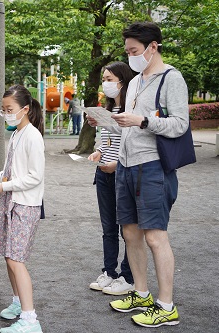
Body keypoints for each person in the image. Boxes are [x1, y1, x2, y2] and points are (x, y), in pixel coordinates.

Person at [87, 22, 186, 327]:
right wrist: (105, 122)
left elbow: (180, 124)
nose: (130, 55)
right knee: (129, 233)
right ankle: (141, 293)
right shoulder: (136, 82)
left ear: (152, 46)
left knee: (155, 236)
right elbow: (127, 126)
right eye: (128, 50)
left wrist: (143, 121)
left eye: (134, 50)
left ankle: (166, 305)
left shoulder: (171, 78)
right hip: (125, 166)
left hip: (153, 165)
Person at [0, 85, 45, 333]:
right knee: (9, 256)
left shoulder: (33, 136)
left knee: (16, 259)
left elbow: (35, 177)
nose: (6, 114)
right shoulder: (17, 134)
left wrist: (3, 187)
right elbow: (9, 171)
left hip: (24, 204)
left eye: (9, 109)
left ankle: (30, 319)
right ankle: (18, 302)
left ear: (25, 109)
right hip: (12, 202)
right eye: (3, 110)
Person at [87, 61, 135, 296]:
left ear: (122, 81)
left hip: (122, 173)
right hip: (103, 173)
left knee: (128, 228)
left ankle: (128, 275)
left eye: (109, 79)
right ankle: (109, 272)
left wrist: (118, 164)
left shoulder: (131, 110)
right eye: (104, 79)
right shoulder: (106, 109)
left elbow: (132, 140)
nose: (105, 83)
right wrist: (98, 152)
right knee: (108, 228)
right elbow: (105, 140)